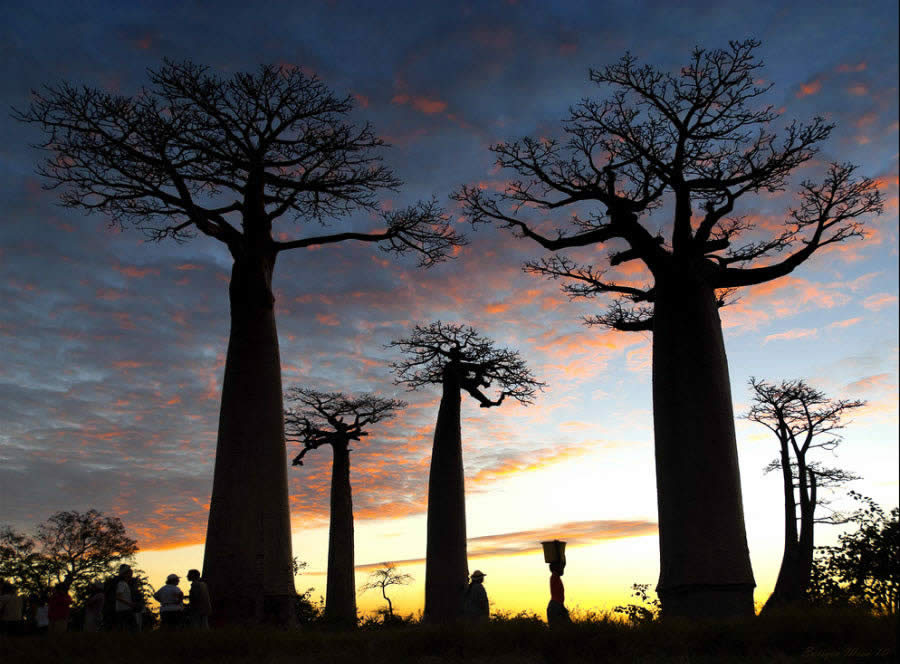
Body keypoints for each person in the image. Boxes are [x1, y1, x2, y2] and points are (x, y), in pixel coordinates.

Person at [112, 564, 138, 631]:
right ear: (125, 574)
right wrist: (130, 604)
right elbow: (118, 596)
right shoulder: (122, 584)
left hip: (124, 609)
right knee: (132, 629)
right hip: (124, 610)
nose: (131, 573)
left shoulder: (125, 584)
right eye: (129, 571)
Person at [547, 561, 571, 628]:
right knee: (558, 629)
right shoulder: (554, 576)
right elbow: (560, 564)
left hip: (558, 605)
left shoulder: (556, 577)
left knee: (568, 628)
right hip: (555, 607)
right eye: (561, 567)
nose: (563, 569)